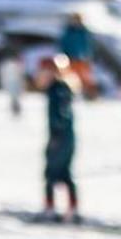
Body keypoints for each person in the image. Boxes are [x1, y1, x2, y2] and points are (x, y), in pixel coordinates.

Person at [39, 54, 80, 221]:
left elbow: (61, 115)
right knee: (65, 173)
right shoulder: (66, 87)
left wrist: (56, 134)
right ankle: (72, 208)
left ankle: (51, 208)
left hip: (60, 136)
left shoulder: (57, 89)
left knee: (51, 173)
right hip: (67, 136)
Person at [58, 12, 96, 97]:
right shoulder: (68, 31)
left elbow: (88, 45)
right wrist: (63, 55)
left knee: (84, 77)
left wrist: (87, 56)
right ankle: (70, 92)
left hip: (82, 58)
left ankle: (88, 94)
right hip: (70, 57)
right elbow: (63, 43)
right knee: (69, 77)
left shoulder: (84, 32)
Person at [0, 43, 25, 118]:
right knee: (14, 96)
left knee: (15, 96)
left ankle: (15, 109)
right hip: (12, 83)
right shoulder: (7, 63)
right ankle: (14, 109)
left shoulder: (8, 63)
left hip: (14, 83)